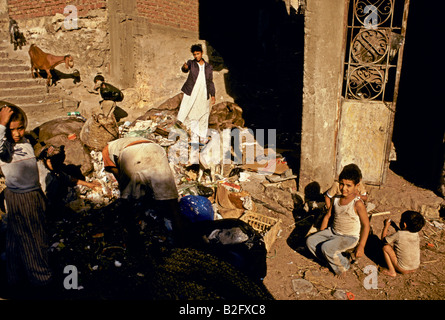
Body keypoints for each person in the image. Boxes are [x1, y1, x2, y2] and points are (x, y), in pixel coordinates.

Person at [0, 102, 53, 296]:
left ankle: (15, 276)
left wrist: (47, 154)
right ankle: (41, 278)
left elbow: (34, 159)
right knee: (35, 236)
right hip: (22, 196)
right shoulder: (4, 148)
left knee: (15, 236)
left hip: (31, 193)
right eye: (10, 129)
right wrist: (1, 124)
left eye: (20, 128)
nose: (17, 133)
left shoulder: (26, 142)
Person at [102, 137, 185, 242]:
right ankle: (182, 239)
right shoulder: (126, 140)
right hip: (156, 150)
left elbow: (119, 175)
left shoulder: (106, 149)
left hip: (131, 153)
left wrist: (128, 190)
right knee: (171, 201)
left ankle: (135, 241)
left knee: (127, 202)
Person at [306, 164, 370, 276]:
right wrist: (321, 233)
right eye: (341, 184)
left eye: (348, 185)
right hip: (333, 232)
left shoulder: (357, 204)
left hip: (349, 237)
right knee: (310, 242)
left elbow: (366, 225)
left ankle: (344, 266)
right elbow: (328, 216)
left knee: (326, 248)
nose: (343, 188)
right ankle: (330, 262)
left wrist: (361, 246)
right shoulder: (335, 199)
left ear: (357, 186)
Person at [37, 144, 101, 210]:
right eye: (57, 160)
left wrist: (88, 184)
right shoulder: (44, 176)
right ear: (48, 161)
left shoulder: (53, 169)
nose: (60, 163)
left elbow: (68, 179)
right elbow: (48, 198)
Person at [176, 44, 216, 143]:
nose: (196, 56)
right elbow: (185, 69)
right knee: (190, 111)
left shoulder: (208, 67)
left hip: (203, 92)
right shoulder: (191, 63)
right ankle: (192, 133)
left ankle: (202, 135)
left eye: (198, 54)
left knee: (204, 112)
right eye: (194, 55)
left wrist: (213, 95)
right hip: (192, 91)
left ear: (202, 53)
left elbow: (210, 81)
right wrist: (184, 67)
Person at [380, 210, 425, 277]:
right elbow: (404, 233)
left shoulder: (399, 234)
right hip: (415, 267)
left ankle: (391, 271)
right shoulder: (416, 234)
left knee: (386, 247)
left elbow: (384, 240)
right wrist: (394, 226)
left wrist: (386, 226)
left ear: (404, 224)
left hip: (403, 268)